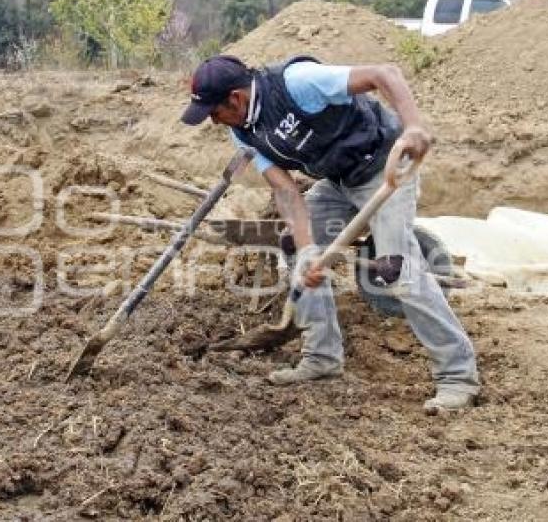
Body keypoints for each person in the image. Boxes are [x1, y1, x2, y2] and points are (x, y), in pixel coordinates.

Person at [180, 54, 479, 411]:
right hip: (338, 183)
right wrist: (308, 250)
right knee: (294, 246)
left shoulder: (299, 82)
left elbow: (384, 73)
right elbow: (285, 190)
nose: (214, 122)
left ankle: (457, 376)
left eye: (214, 112)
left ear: (236, 98)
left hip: (385, 166)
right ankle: (322, 357)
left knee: (396, 269)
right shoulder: (241, 130)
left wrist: (413, 126)